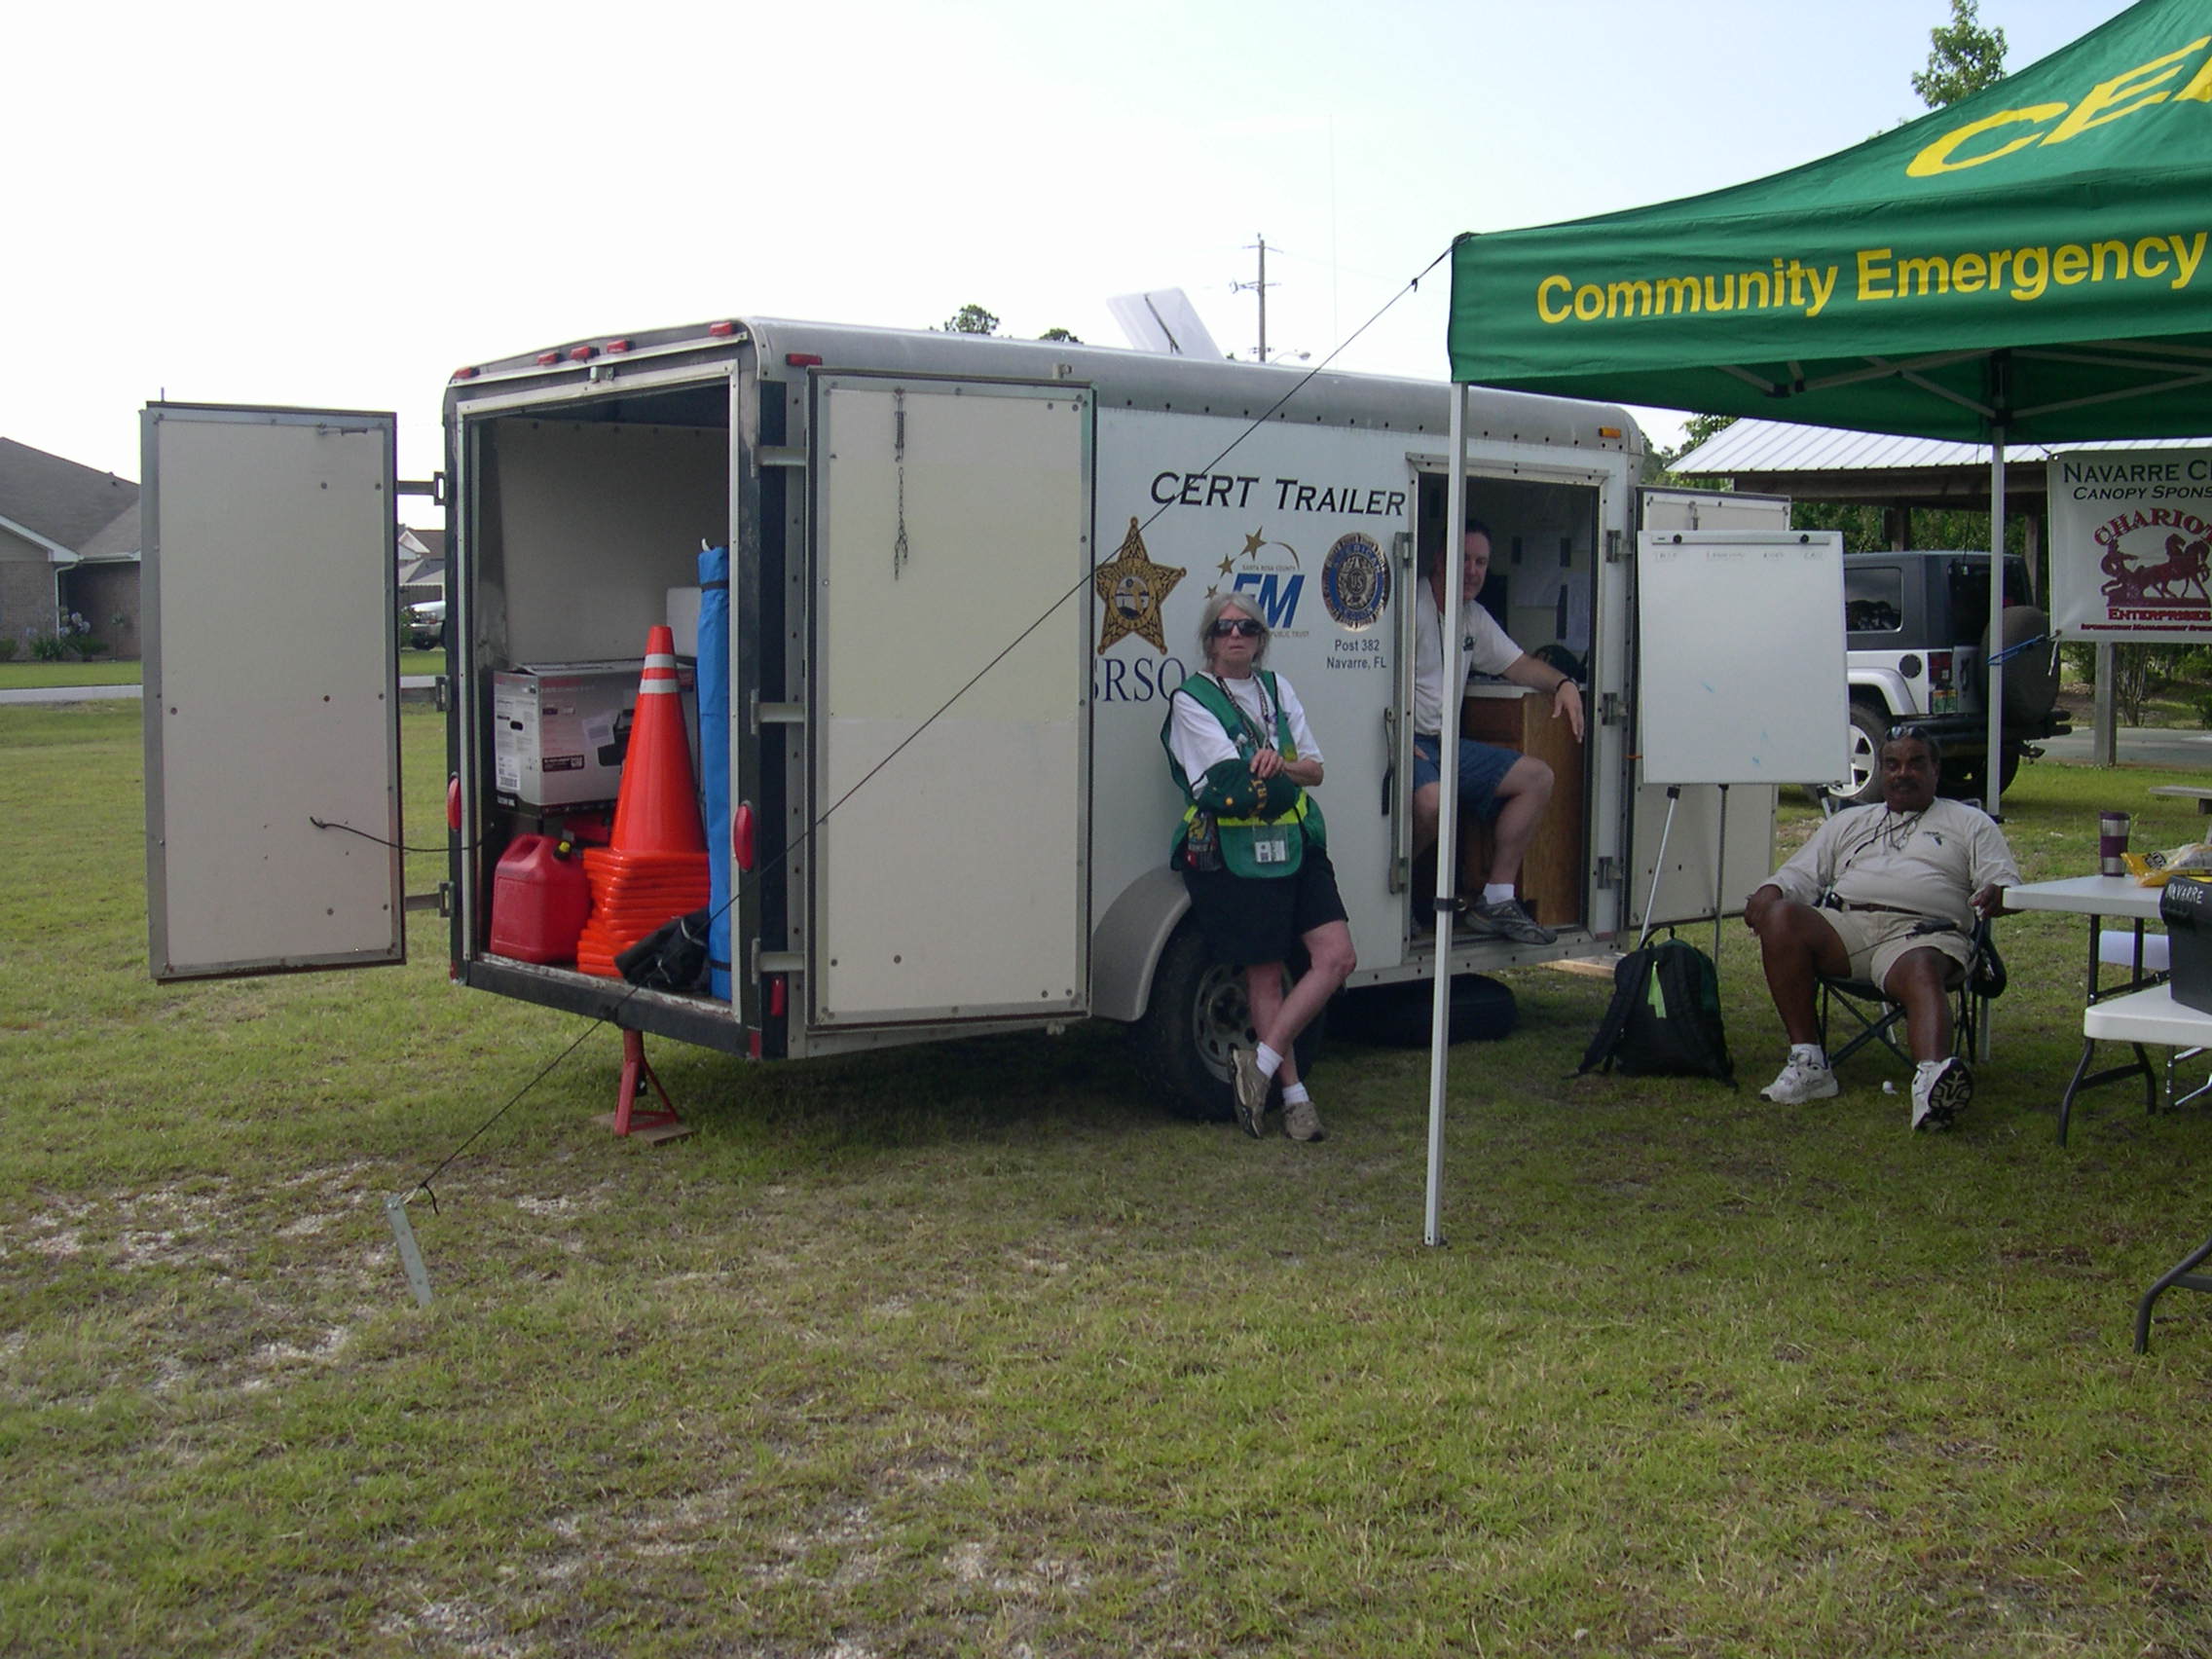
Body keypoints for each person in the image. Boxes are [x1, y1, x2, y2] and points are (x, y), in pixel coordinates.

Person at [1743, 728, 2018, 1130]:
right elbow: (1799, 874)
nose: (1902, 773)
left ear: (1936, 769)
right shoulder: (1851, 821)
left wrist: (1998, 894)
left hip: (1922, 934)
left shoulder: (1968, 822)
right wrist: (1770, 892)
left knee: (1922, 966)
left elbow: (2006, 884)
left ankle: (1931, 1084)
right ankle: (1810, 1065)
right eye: (1892, 764)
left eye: (1915, 763)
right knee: (1781, 916)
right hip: (1849, 928)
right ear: (1882, 771)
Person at [1162, 594, 1357, 1142]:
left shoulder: (1278, 689)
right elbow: (1227, 785)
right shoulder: (1192, 699)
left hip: (1296, 841)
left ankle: (1260, 1063)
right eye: (1225, 627)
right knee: (1265, 974)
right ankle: (1295, 1101)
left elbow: (1315, 771)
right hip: (1234, 850)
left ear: (1261, 638)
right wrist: (1281, 771)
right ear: (1209, 639)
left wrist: (1279, 767)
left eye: (1247, 627)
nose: (1236, 636)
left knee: (1337, 958)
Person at [1412, 521, 1585, 945]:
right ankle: (1392, 893)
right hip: (1407, 741)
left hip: (1444, 745)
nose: (1472, 571)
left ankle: (1496, 899)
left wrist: (1563, 683)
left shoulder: (1472, 616)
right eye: (1464, 559)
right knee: (1432, 802)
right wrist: (1398, 741)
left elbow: (1519, 664)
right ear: (1439, 560)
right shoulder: (1410, 605)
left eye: (1481, 562)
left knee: (1537, 778)